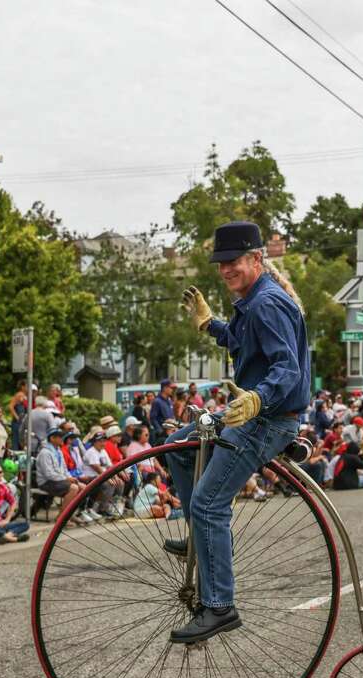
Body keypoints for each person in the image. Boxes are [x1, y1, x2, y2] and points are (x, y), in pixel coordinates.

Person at [166, 220, 309, 644]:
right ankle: (199, 538)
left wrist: (257, 399)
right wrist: (209, 324)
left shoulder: (266, 304)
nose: (226, 270)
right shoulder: (251, 300)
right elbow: (242, 342)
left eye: (233, 262)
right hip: (246, 414)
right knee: (176, 446)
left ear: (257, 259)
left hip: (267, 421)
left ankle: (220, 606)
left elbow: (287, 368)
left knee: (210, 503)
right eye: (221, 263)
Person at [35, 428, 87, 517]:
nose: (62, 439)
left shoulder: (58, 451)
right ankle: (62, 517)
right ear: (52, 438)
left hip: (58, 480)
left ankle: (71, 514)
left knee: (83, 487)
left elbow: (64, 469)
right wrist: (66, 478)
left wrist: (70, 477)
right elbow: (49, 474)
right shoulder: (45, 452)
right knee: (74, 488)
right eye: (59, 437)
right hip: (46, 482)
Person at [150, 380, 176, 444]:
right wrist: (160, 431)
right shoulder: (157, 401)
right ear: (164, 388)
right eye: (170, 388)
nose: (172, 390)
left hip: (171, 432)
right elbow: (153, 418)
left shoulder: (169, 401)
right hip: (162, 436)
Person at [8, 378, 29, 450]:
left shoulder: (27, 395)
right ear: (23, 387)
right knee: (16, 441)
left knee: (22, 441)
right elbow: (11, 406)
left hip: (23, 421)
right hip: (18, 422)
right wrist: (17, 417)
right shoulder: (19, 394)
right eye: (27, 386)